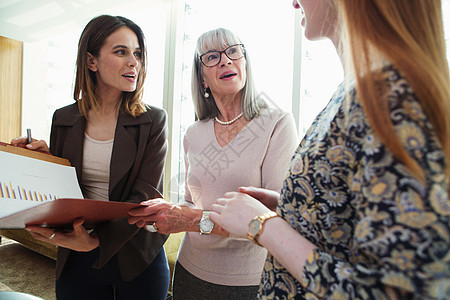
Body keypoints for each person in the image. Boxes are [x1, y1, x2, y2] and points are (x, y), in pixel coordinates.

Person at [209, 1, 450, 299]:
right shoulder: (356, 90)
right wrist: (292, 208)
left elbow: (401, 292)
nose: (294, 2)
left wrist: (263, 225)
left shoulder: (395, 98)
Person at [128, 28, 299, 299]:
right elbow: (190, 201)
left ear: (245, 62)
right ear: (202, 77)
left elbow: (277, 217)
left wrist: (192, 219)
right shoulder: (194, 133)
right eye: (212, 56)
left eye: (233, 51)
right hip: (190, 271)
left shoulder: (277, 123)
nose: (226, 60)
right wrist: (165, 212)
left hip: (250, 281)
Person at [11, 15, 170, 300]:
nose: (133, 62)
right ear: (91, 61)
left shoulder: (153, 120)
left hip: (135, 252)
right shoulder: (64, 118)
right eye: (121, 52)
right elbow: (64, 187)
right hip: (76, 247)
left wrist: (95, 241)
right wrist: (42, 161)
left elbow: (144, 195)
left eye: (137, 54)